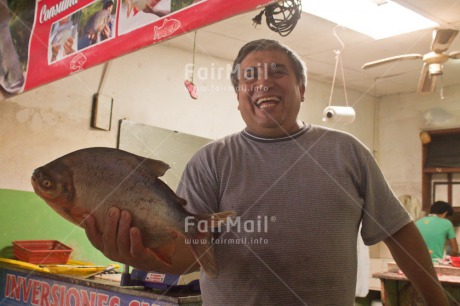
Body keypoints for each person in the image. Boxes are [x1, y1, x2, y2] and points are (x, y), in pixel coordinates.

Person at [84, 39, 449, 305]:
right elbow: (187, 256)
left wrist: (438, 301)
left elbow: (399, 233)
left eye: (278, 72)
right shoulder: (209, 162)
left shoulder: (347, 152)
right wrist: (137, 256)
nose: (263, 82)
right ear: (238, 95)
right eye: (249, 76)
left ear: (302, 89)